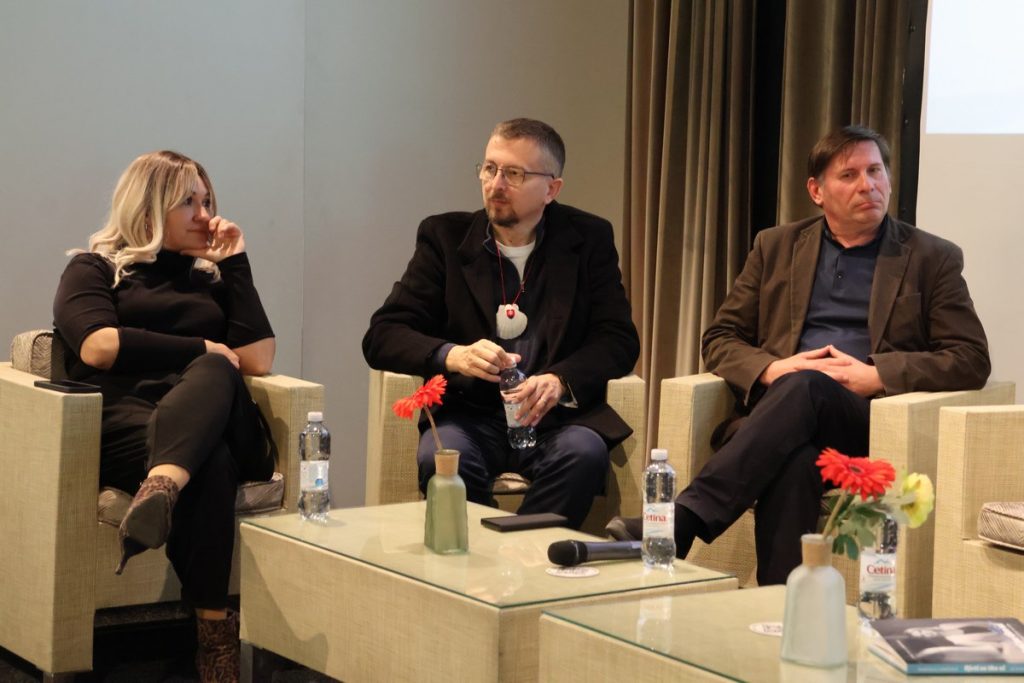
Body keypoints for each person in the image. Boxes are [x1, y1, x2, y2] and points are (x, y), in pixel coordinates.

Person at [607, 125, 990, 583]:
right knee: (796, 458)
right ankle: (781, 604)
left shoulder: (931, 257)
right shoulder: (776, 247)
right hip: (779, 420)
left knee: (809, 384)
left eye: (875, 171)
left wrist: (877, 375)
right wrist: (772, 368)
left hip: (865, 421)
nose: (868, 185)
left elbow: (971, 358)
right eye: (849, 175)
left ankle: (684, 519)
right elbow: (721, 337)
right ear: (816, 191)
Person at [52, 150, 276, 682]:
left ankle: (162, 486)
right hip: (132, 427)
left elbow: (259, 359)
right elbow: (99, 346)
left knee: (217, 370)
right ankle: (215, 636)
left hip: (218, 415)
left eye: (208, 201)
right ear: (149, 208)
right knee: (210, 461)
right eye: (189, 203)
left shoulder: (212, 279)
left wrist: (236, 264)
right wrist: (200, 345)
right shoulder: (94, 269)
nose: (206, 215)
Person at [363, 118, 640, 529]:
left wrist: (560, 380)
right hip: (470, 415)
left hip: (554, 419)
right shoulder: (444, 237)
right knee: (442, 460)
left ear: (551, 189)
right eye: (490, 169)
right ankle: (476, 559)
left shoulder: (588, 239)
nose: (496, 184)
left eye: (514, 174)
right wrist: (453, 355)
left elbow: (618, 339)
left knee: (585, 454)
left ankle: (516, 552)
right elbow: (383, 335)